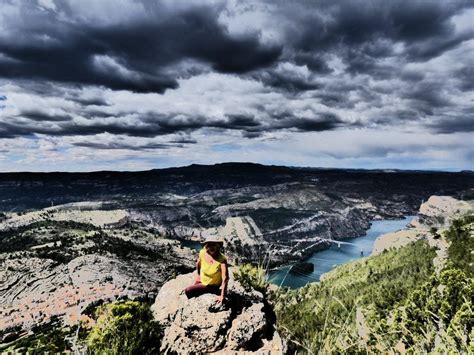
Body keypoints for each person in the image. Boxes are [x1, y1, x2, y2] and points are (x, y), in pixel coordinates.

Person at [184, 235, 229, 304]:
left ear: (218, 246)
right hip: (203, 280)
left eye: (213, 244)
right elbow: (198, 264)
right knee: (194, 288)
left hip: (213, 285)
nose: (211, 247)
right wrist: (198, 276)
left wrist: (222, 295)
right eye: (209, 245)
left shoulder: (222, 260)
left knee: (188, 290)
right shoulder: (202, 253)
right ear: (206, 246)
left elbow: (225, 278)